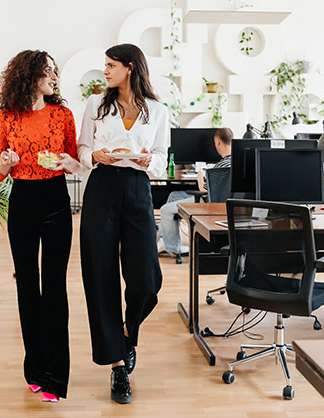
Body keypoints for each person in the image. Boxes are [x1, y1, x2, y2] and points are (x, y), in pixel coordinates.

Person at [77, 43, 167, 405]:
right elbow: (82, 150)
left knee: (147, 279)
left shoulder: (158, 110)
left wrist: (148, 162)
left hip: (137, 187)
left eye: (111, 66)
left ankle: (128, 332)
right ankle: (118, 366)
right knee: (100, 276)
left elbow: (162, 156)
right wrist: (94, 155)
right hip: (102, 187)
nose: (106, 72)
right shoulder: (96, 105)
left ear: (130, 68)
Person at [0, 50, 78, 403]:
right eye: (47, 72)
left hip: (56, 200)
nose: (54, 78)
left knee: (55, 287)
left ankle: (56, 377)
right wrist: (6, 162)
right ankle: (35, 369)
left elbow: (74, 163)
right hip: (23, 201)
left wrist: (66, 161)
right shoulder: (5, 117)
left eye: (55, 72)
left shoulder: (63, 115)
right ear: (28, 76)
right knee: (27, 286)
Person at [156, 127, 233, 256]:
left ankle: (173, 248)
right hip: (223, 203)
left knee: (165, 209)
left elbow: (204, 190)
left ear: (218, 141)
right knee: (174, 195)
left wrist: (200, 175)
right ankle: (166, 238)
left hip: (208, 204)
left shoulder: (220, 166)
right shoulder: (234, 162)